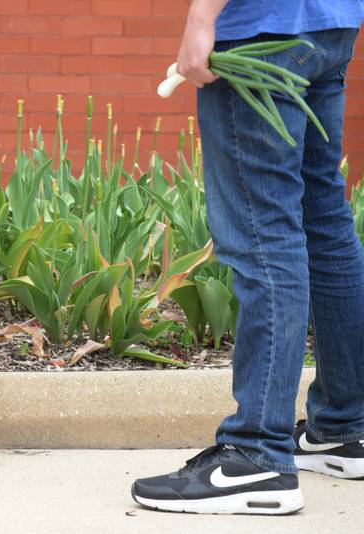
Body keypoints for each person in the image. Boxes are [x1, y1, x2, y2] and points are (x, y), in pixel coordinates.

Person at [132, 0, 364, 514]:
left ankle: (256, 455)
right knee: (323, 219)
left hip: (261, 28)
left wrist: (202, 17)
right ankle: (345, 426)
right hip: (333, 21)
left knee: (265, 232)